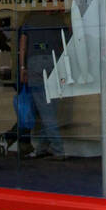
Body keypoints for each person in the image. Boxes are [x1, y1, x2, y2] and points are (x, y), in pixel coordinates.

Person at [19, 14, 66, 159]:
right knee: (49, 108)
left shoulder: (29, 21)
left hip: (35, 63)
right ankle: (42, 148)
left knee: (45, 111)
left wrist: (22, 67)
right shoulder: (59, 20)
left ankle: (58, 150)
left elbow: (23, 45)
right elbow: (67, 43)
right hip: (55, 62)